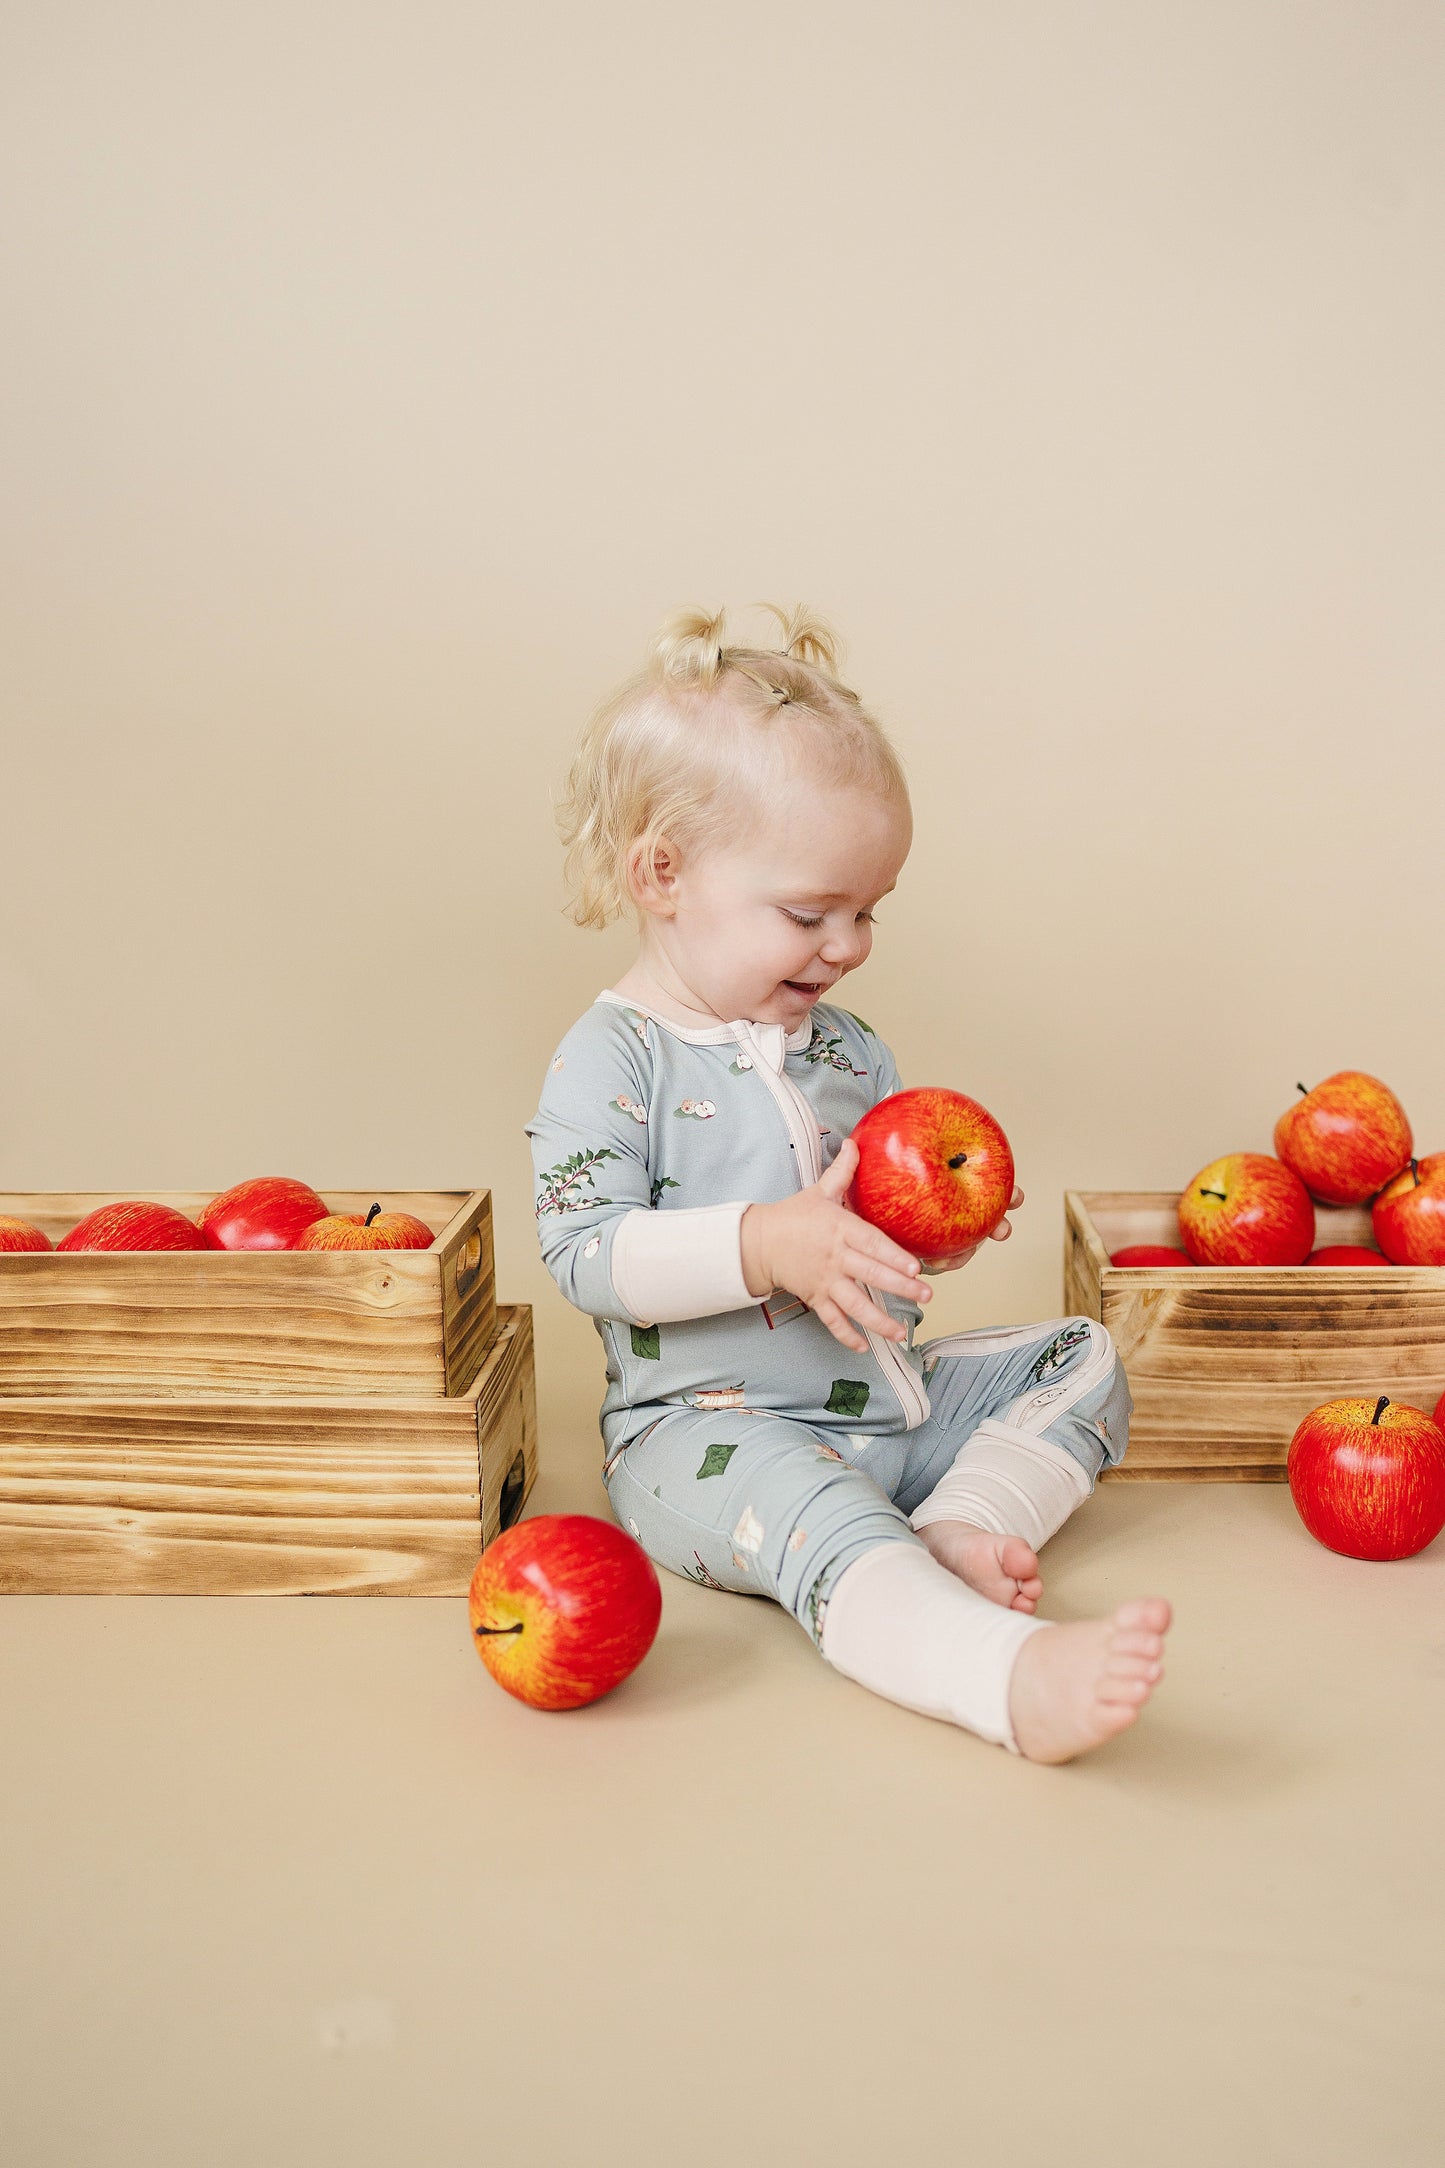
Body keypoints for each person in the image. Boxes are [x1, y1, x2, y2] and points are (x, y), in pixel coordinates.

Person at [524, 606, 1171, 1761]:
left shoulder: (847, 1051)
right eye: (809, 912)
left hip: (885, 1401)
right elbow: (586, 1253)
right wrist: (764, 1244)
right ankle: (996, 1676)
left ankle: (964, 1520)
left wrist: (936, 1243)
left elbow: (872, 1233)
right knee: (824, 1521)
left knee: (1085, 1354)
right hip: (708, 1434)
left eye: (866, 910)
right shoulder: (612, 1057)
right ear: (662, 872)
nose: (848, 945)